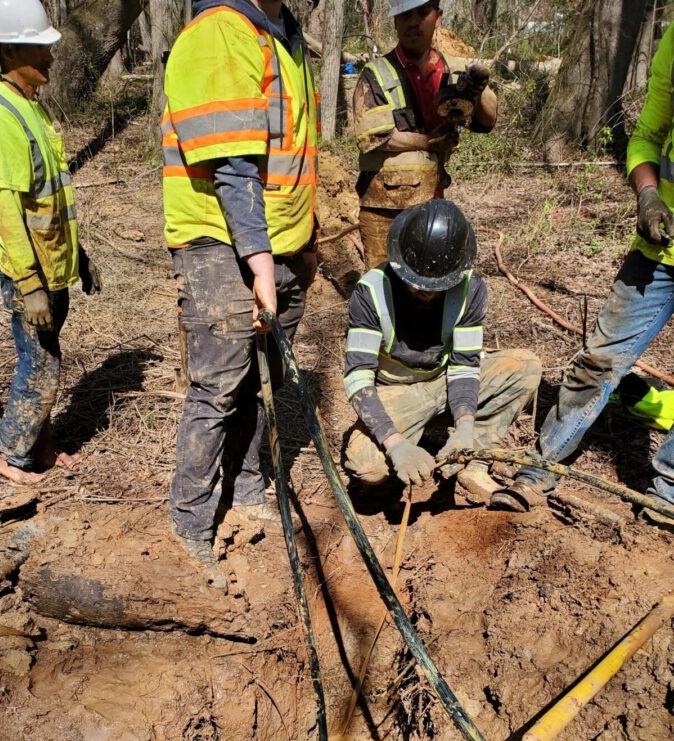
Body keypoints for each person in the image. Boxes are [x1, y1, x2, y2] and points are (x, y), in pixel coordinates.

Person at [490, 24, 674, 530]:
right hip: (661, 247)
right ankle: (541, 465)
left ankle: (668, 493)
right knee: (598, 359)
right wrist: (647, 194)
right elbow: (648, 138)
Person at [162, 0, 318, 588]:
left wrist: (306, 241)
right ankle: (190, 527)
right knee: (220, 386)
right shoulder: (221, 31)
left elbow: (293, 156)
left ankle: (248, 488)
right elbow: (232, 165)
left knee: (265, 381)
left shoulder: (282, 35)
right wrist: (257, 264)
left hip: (278, 243)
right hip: (220, 242)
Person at [0, 0, 101, 485]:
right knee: (40, 364)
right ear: (7, 50)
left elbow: (48, 198)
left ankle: (41, 447)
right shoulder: (0, 115)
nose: (50, 59)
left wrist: (79, 256)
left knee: (48, 357)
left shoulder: (29, 107)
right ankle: (9, 456)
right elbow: (7, 209)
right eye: (38, 49)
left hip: (53, 263)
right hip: (32, 272)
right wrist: (29, 285)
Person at [342, 200, 541, 504]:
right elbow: (358, 378)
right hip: (397, 393)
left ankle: (471, 465)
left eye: (439, 284)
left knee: (524, 367)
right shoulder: (371, 291)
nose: (429, 291)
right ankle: (403, 454)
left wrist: (465, 428)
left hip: (444, 382)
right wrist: (396, 445)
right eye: (418, 283)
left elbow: (464, 365)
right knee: (368, 469)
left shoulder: (470, 288)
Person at [353, 0, 498, 269]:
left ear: (438, 17)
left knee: (426, 287)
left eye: (422, 13)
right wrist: (430, 140)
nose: (413, 22)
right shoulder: (376, 75)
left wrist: (480, 91)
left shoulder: (451, 71)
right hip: (383, 208)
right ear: (395, 21)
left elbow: (485, 123)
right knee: (384, 286)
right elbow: (373, 138)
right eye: (405, 14)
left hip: (432, 205)